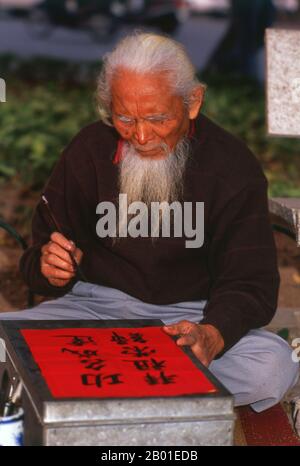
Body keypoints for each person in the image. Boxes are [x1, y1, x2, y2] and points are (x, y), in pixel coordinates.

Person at [1, 33, 298, 411]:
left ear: (193, 102)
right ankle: (155, 394)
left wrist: (212, 334)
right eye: (125, 118)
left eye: (158, 118)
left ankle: (96, 391)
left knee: (271, 368)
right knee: (3, 344)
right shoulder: (89, 150)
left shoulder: (232, 167)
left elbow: (251, 283)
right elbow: (36, 263)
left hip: (189, 322)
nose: (141, 136)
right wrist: (48, 267)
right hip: (94, 316)